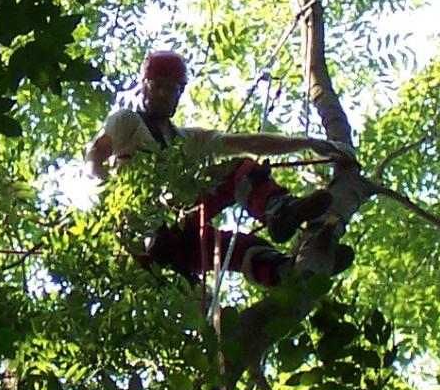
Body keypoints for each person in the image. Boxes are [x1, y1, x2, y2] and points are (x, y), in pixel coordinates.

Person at [86, 49, 353, 288]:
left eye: (173, 88)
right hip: (151, 235)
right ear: (144, 86)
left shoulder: (185, 140)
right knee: (237, 171)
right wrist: (109, 191)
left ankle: (287, 266)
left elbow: (248, 142)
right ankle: (279, 214)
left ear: (181, 92)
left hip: (182, 234)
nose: (165, 94)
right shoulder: (128, 122)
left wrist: (310, 143)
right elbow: (96, 156)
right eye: (158, 87)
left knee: (241, 243)